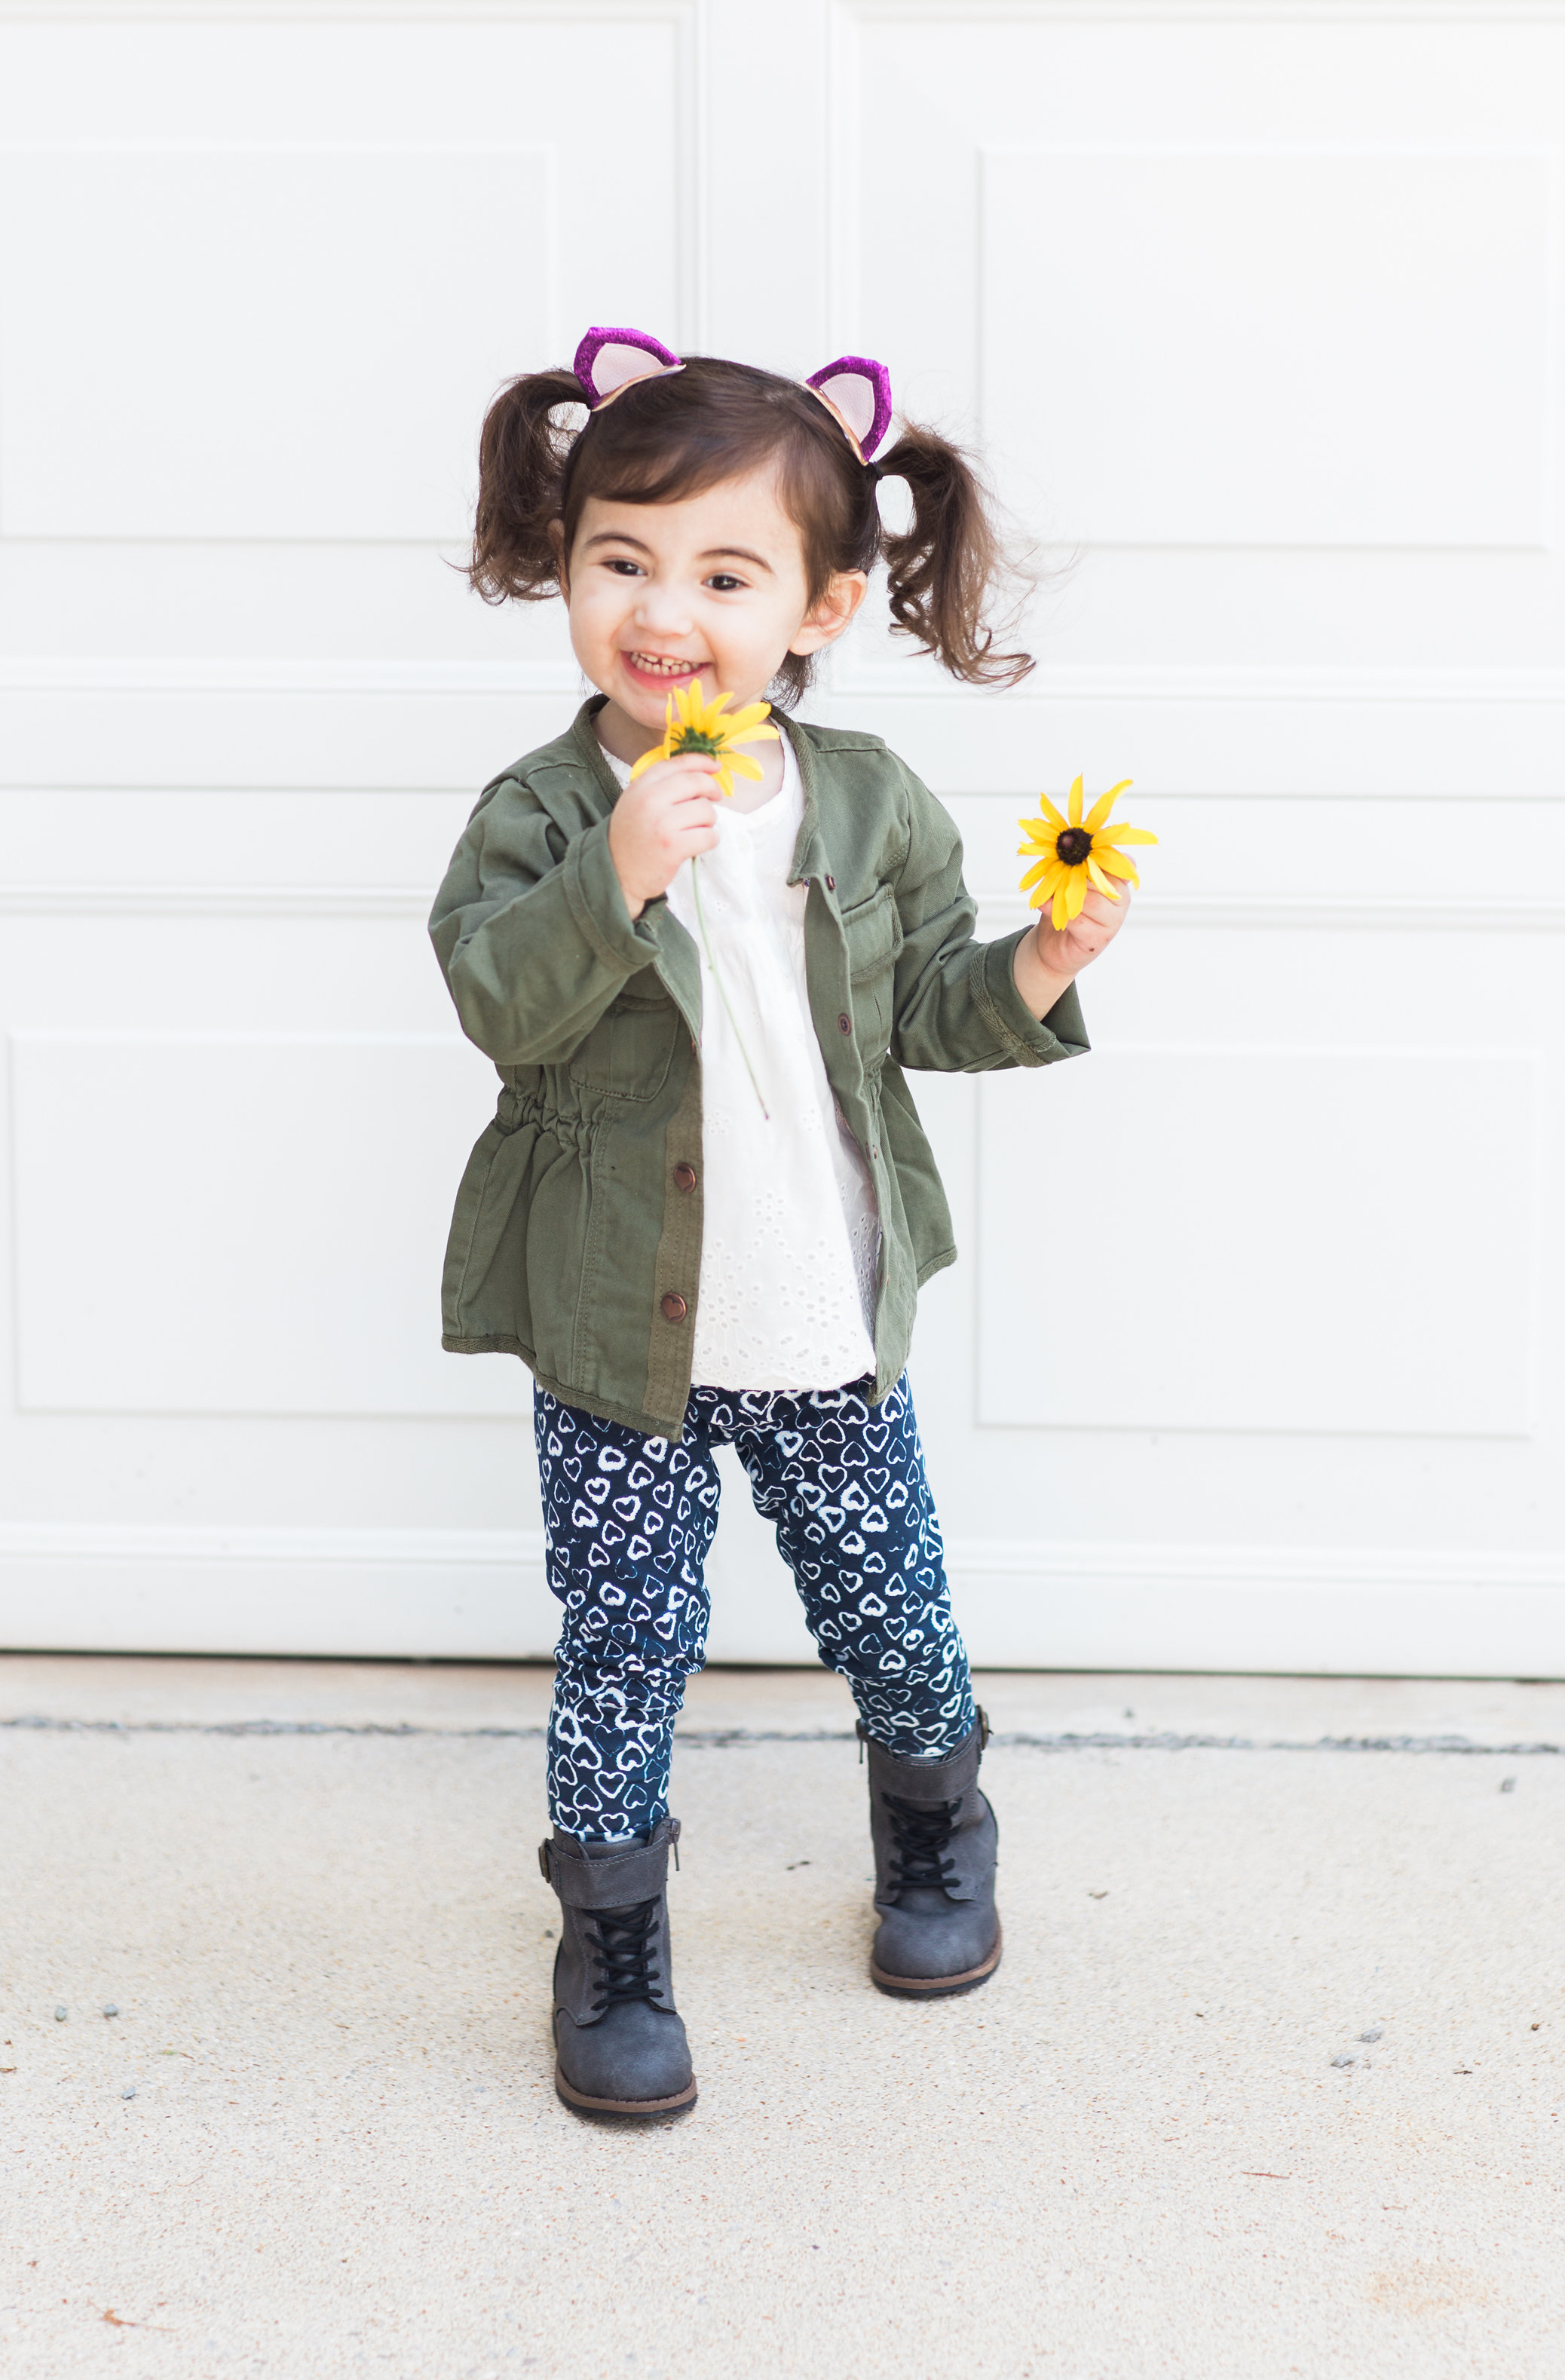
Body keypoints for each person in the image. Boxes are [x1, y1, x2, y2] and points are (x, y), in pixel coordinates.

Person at [429, 328, 1135, 2121]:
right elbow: (498, 1003)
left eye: (723, 576)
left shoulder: (870, 802)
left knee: (890, 1608)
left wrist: (1037, 968)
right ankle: (611, 1945)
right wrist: (616, 877)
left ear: (819, 607)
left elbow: (921, 1018)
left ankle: (935, 1828)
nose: (663, 611)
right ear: (570, 566)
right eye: (622, 561)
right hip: (618, 1331)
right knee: (622, 1642)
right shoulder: (539, 811)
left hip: (819, 1308)